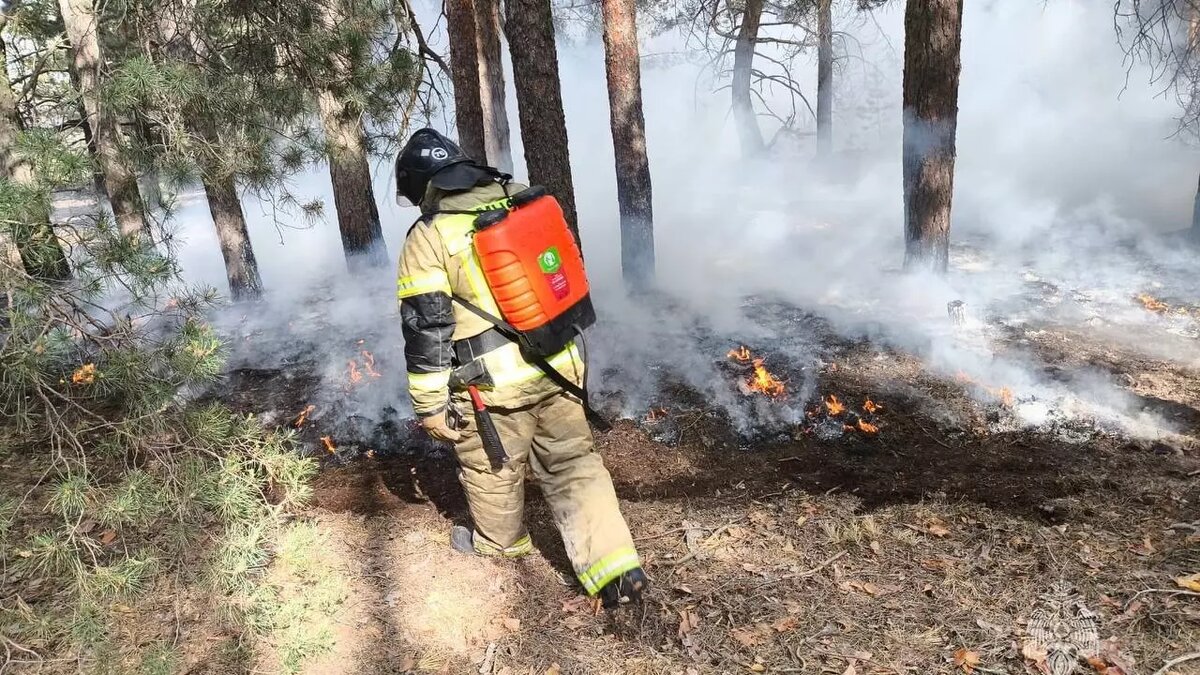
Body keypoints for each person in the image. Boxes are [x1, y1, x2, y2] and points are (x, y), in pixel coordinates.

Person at [394, 128, 648, 607]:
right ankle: (616, 568)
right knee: (574, 462)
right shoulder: (519, 196)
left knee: (493, 468)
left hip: (494, 386)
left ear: (422, 185)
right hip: (561, 363)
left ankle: (503, 547)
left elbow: (426, 326)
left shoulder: (429, 236)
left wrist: (430, 405)